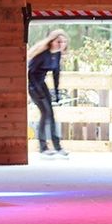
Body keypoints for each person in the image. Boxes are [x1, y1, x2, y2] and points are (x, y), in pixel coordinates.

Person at [26, 29, 68, 157]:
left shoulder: (57, 55)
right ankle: (43, 147)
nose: (61, 44)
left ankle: (57, 147)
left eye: (63, 42)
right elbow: (31, 73)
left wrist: (56, 93)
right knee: (46, 113)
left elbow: (56, 74)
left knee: (50, 114)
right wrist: (37, 91)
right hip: (34, 85)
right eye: (58, 41)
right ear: (52, 41)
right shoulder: (43, 54)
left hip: (42, 84)